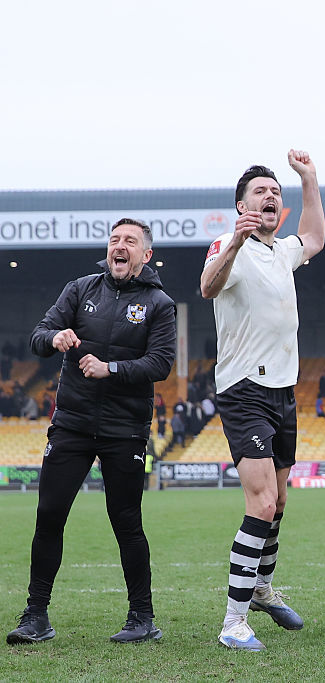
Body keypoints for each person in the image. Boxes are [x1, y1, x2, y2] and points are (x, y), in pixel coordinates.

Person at [8, 218, 175, 645]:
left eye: (130, 241)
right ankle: (36, 616)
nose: (120, 247)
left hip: (125, 430)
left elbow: (160, 364)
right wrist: (55, 337)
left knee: (126, 522)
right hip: (72, 424)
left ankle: (142, 618)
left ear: (145, 255)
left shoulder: (159, 304)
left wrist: (110, 368)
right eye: (115, 240)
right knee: (48, 517)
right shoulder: (80, 289)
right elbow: (38, 337)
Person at [200, 150, 325, 650]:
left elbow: (314, 236)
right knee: (262, 502)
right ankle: (232, 622)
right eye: (260, 192)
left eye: (276, 192)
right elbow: (207, 287)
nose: (271, 196)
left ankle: (262, 591)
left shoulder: (282, 251)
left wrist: (309, 179)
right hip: (243, 389)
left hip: (282, 389)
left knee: (280, 502)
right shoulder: (229, 245)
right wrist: (235, 240)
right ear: (241, 206)